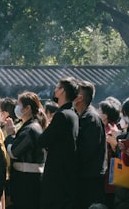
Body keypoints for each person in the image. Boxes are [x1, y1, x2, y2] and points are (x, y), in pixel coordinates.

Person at [37, 77, 80, 209]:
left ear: (62, 91)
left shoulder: (61, 115)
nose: (54, 89)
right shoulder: (73, 114)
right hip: (67, 172)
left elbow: (43, 140)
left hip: (57, 174)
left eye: (57, 87)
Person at [5, 92, 45, 209]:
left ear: (27, 108)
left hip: (27, 181)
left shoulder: (30, 129)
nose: (16, 107)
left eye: (19, 104)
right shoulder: (31, 126)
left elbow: (14, 152)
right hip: (28, 179)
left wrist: (10, 136)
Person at [73, 80, 107, 207]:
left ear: (80, 98)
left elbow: (86, 150)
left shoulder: (91, 118)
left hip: (90, 177)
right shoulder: (80, 116)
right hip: (82, 176)